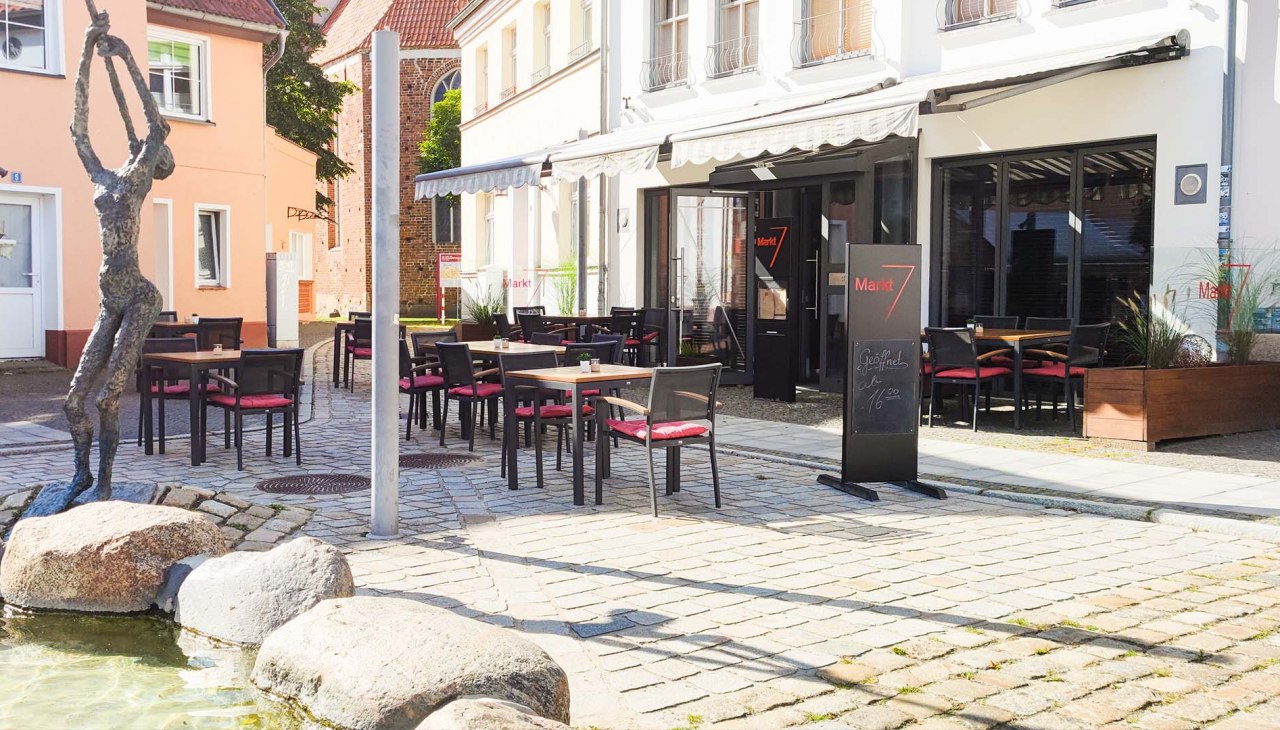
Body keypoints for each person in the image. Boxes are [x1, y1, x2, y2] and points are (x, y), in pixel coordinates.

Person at [64, 9, 174, 501]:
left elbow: (157, 125)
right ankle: (82, 475)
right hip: (110, 297)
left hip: (138, 297)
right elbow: (78, 131)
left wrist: (128, 57)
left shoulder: (136, 178)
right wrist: (88, 49)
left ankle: (105, 484)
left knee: (110, 397)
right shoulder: (103, 177)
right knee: (73, 401)